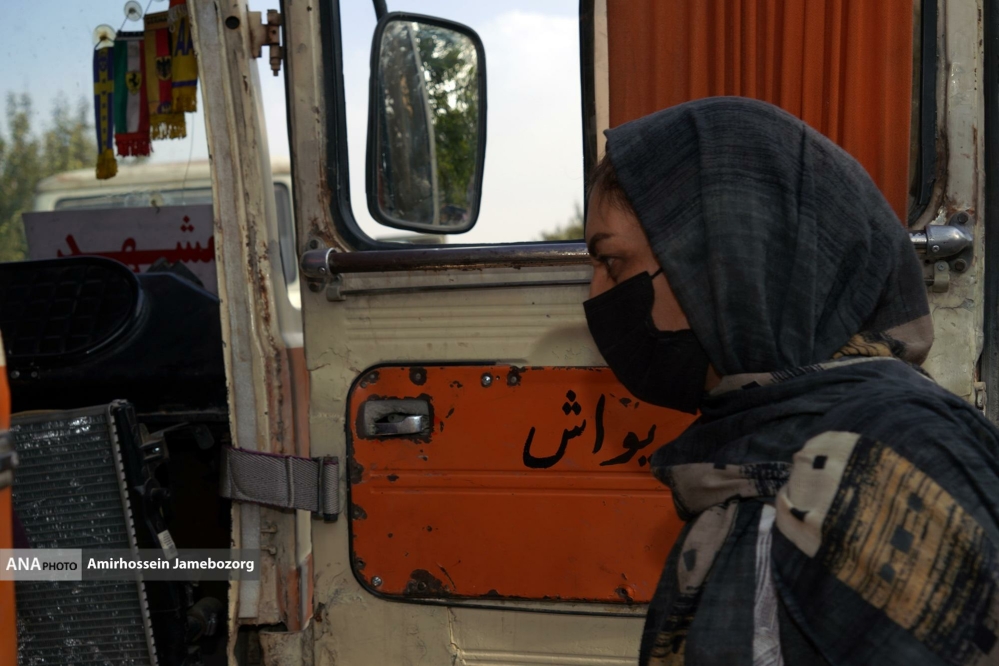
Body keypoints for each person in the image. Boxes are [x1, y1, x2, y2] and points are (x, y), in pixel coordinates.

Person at [583, 97, 999, 666]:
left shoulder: (897, 458)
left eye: (611, 263)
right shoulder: (759, 444)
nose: (595, 296)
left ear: (722, 262)